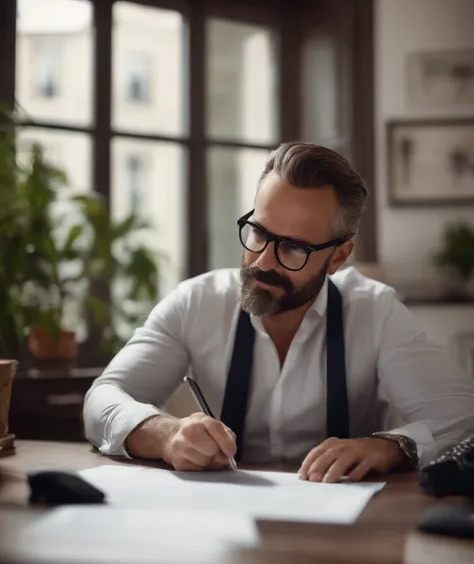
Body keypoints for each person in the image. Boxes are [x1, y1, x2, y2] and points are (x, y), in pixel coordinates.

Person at [83, 142, 474, 483]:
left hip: (345, 531)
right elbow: (103, 398)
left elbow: (460, 417)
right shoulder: (196, 302)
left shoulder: (376, 311)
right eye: (258, 233)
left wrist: (390, 447)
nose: (263, 261)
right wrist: (164, 433)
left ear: (337, 256)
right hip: (219, 523)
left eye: (293, 248)